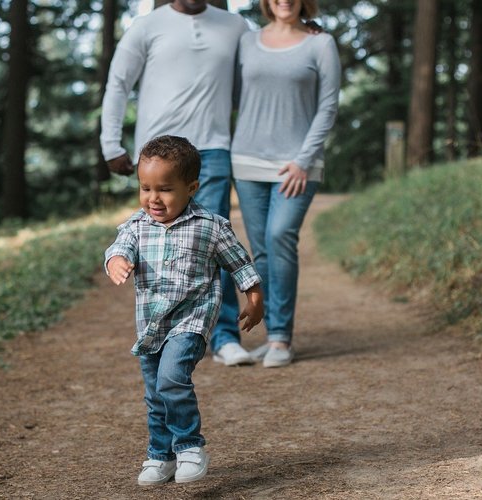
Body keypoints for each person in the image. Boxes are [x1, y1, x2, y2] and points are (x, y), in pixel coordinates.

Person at [100, 0, 259, 366]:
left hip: (213, 147)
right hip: (157, 157)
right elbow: (118, 83)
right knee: (158, 241)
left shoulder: (235, 27)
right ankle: (170, 332)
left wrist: (303, 26)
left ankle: (223, 337)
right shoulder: (145, 27)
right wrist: (110, 143)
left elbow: (261, 69)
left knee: (213, 237)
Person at [104, 135, 264, 485]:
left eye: (164, 189)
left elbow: (240, 265)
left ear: (191, 188)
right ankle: (161, 455)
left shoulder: (209, 226)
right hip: (150, 326)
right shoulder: (136, 226)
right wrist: (116, 260)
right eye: (145, 188)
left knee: (172, 379)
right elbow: (118, 248)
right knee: (154, 393)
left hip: (191, 321)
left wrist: (254, 299)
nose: (153, 199)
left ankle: (190, 446)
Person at [229, 0, 341, 367]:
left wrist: (303, 160)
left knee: (280, 236)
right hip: (247, 160)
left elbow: (327, 107)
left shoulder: (320, 44)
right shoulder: (247, 42)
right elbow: (234, 96)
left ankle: (281, 339)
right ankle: (272, 332)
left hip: (297, 165)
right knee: (260, 249)